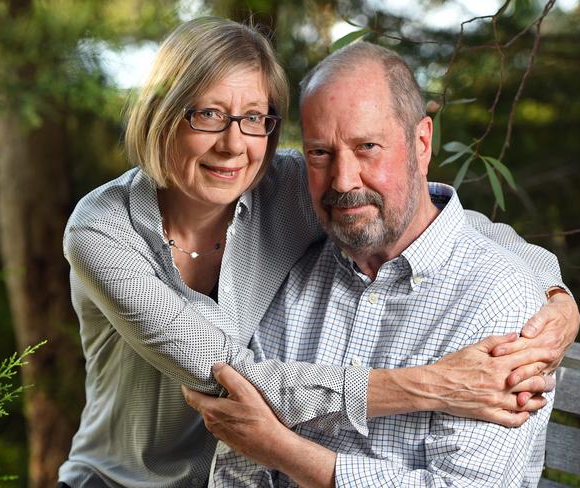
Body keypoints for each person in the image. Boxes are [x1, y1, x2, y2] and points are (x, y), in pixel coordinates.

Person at [59, 17, 578, 488]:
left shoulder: (286, 186)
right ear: (164, 113)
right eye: (209, 114)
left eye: (255, 117)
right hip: (121, 479)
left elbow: (441, 217)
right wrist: (432, 386)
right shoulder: (102, 230)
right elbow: (229, 376)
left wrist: (554, 296)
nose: (233, 144)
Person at [184, 42, 561, 487]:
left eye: (367, 147)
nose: (342, 181)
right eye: (319, 153)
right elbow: (239, 456)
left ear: (421, 143)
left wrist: (282, 450)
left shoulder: (498, 302)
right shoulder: (291, 272)